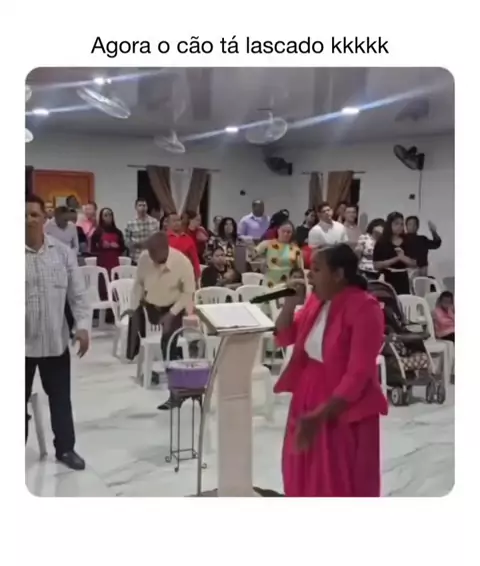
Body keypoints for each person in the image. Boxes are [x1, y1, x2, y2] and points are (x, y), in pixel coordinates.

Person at [274, 244, 388, 497]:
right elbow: (285, 336)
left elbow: (359, 373)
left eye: (316, 269)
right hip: (308, 393)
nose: (309, 275)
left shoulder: (365, 307)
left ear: (338, 274)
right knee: (300, 470)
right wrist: (289, 305)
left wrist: (321, 415)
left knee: (336, 477)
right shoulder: (317, 301)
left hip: (341, 404)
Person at [25, 194, 90, 470]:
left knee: (61, 400)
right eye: (23, 215)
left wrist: (83, 327)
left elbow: (78, 295)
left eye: (34, 214)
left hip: (55, 341)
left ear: (44, 218)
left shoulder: (62, 253)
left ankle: (65, 449)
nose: (29, 220)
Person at [126, 231, 196, 410]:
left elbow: (188, 292)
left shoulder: (182, 263)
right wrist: (134, 308)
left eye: (154, 253)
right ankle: (151, 372)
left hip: (172, 307)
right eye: (149, 253)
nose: (150, 257)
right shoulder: (145, 258)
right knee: (134, 341)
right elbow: (138, 283)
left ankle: (176, 394)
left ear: (165, 249)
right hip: (150, 305)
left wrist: (171, 314)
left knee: (168, 346)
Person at [373, 212, 417, 295]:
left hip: (403, 278)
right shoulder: (382, 242)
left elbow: (414, 263)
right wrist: (396, 259)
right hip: (386, 277)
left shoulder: (408, 241)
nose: (399, 227)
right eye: (396, 224)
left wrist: (403, 257)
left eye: (401, 224)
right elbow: (376, 265)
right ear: (389, 224)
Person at [253, 220, 302, 288]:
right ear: (278, 231)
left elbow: (300, 269)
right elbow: (252, 254)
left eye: (288, 232)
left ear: (292, 233)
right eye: (283, 231)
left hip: (287, 284)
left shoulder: (296, 249)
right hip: (269, 282)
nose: (285, 234)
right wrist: (261, 263)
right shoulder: (267, 244)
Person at [165, 212, 201, 280]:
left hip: (185, 274)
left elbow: (195, 259)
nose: (177, 223)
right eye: (174, 221)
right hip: (168, 275)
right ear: (168, 223)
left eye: (178, 220)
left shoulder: (188, 239)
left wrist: (197, 276)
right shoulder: (163, 238)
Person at [124, 198, 160, 264]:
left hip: (151, 257)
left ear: (147, 207)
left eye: (144, 205)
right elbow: (126, 241)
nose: (142, 208)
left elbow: (157, 239)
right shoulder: (130, 223)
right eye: (140, 205)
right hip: (136, 258)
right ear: (136, 207)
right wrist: (135, 245)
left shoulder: (154, 222)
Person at [91, 207, 125, 275]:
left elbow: (123, 248)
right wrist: (101, 245)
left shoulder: (118, 232)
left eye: (110, 215)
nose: (108, 217)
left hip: (116, 263)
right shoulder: (97, 232)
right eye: (105, 215)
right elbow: (92, 249)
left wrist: (117, 246)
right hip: (102, 263)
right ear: (101, 218)